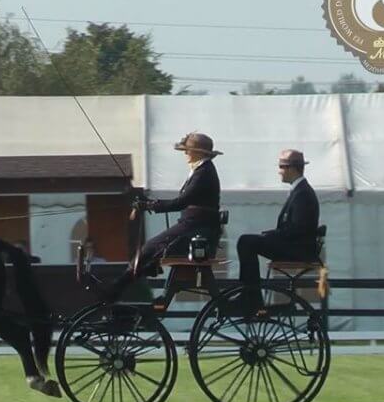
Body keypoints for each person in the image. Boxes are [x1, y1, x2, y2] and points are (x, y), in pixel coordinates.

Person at [107, 132, 222, 298]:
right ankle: (130, 282)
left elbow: (181, 202)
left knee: (149, 249)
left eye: (187, 150)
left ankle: (115, 290)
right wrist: (151, 204)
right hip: (192, 225)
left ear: (198, 152)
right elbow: (183, 201)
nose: (185, 153)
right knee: (150, 251)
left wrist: (150, 206)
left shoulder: (204, 172)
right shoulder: (201, 170)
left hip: (195, 228)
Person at [235, 149, 320, 311]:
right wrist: (271, 235)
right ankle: (250, 293)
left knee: (246, 242)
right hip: (294, 245)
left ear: (292, 168)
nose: (279, 171)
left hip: (297, 249)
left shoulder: (303, 193)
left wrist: (272, 235)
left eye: (281, 166)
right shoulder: (299, 191)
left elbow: (298, 228)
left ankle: (251, 295)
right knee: (247, 241)